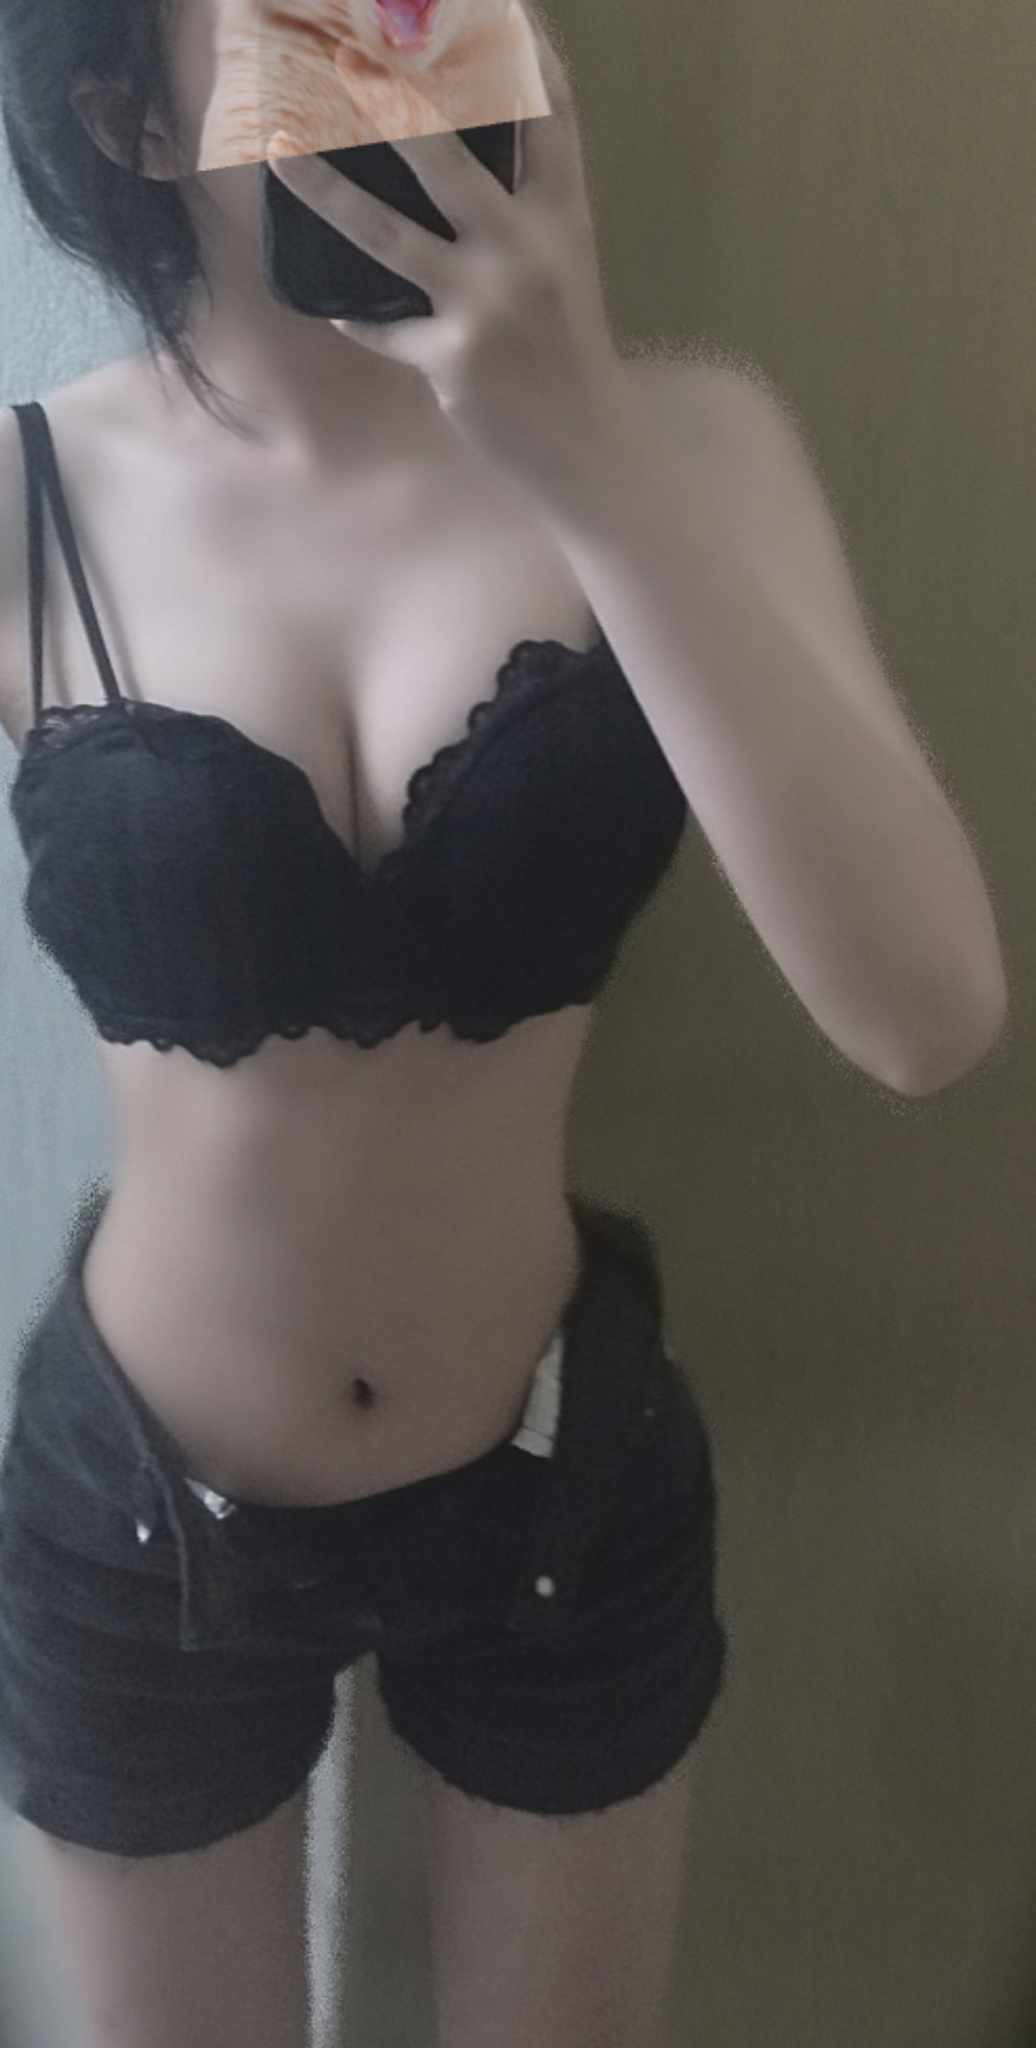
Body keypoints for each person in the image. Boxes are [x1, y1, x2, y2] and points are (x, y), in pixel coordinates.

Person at [0, 3, 732, 2045]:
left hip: (559, 1476)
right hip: (144, 1517)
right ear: (129, 119)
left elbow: (926, 1015)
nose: (401, 36)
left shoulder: (674, 446)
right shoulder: (31, 494)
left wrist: (583, 434)